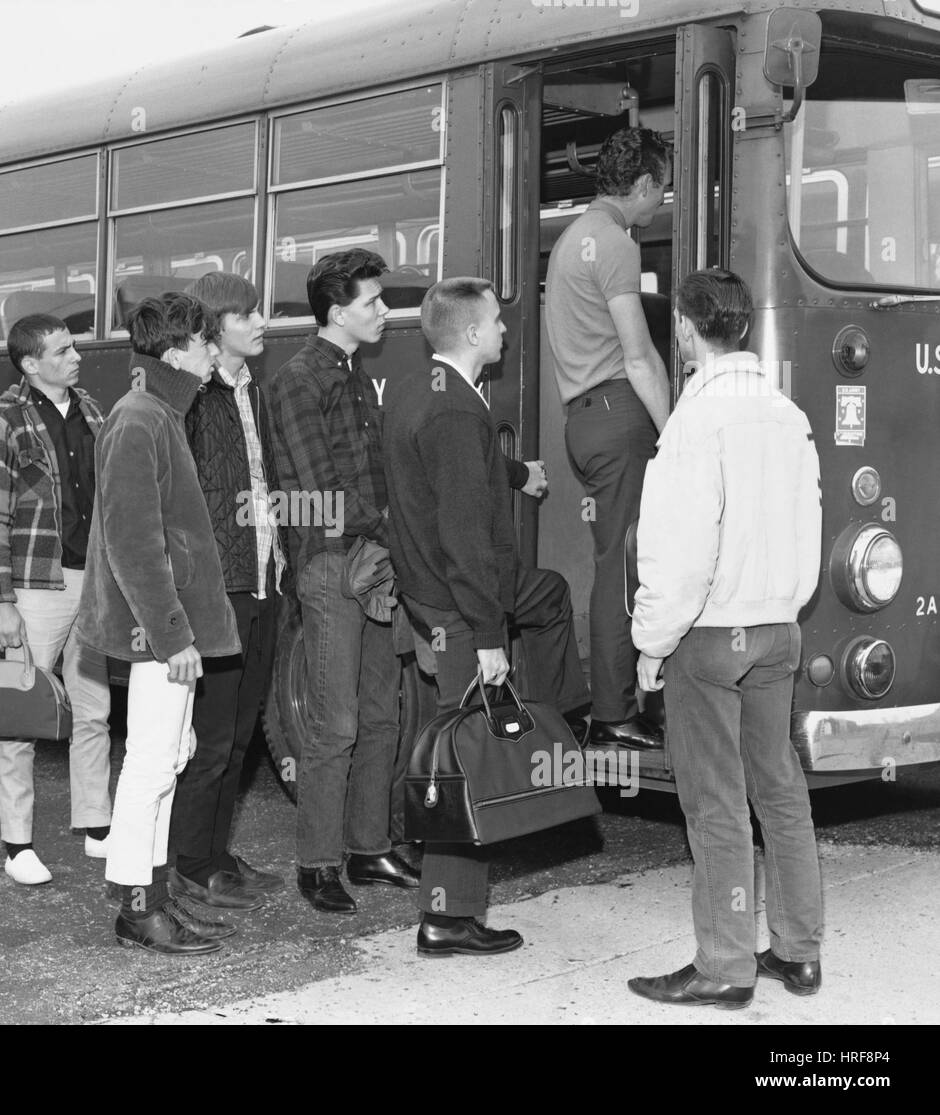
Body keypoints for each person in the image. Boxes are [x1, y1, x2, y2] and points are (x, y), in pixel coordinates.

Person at [628, 269, 823, 1008]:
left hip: (711, 635)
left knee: (715, 804)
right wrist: (784, 604)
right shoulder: (786, 412)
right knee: (780, 789)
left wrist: (652, 641)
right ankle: (798, 951)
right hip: (779, 628)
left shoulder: (694, 420)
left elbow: (679, 551)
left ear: (684, 329)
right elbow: (809, 521)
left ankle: (724, 964)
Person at [385, 277, 590, 955]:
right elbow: (466, 534)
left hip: (433, 597)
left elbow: (455, 487)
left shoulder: (423, 392)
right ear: (471, 333)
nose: (505, 331)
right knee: (461, 755)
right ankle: (446, 916)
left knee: (457, 745)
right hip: (456, 605)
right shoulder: (455, 411)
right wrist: (487, 634)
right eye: (497, 322)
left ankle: (453, 910)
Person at [73, 293, 241, 955]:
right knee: (150, 765)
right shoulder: (141, 418)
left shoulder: (156, 413)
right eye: (204, 341)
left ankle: (154, 898)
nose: (212, 352)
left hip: (165, 630)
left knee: (168, 758)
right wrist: (173, 636)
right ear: (177, 351)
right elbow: (133, 543)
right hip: (156, 632)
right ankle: (139, 910)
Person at [266, 248, 418, 914]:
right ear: (336, 311)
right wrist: (390, 521)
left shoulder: (353, 374)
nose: (384, 310)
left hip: (373, 561)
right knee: (337, 722)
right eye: (372, 302)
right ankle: (318, 863)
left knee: (382, 715)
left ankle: (369, 846)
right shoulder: (300, 380)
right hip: (332, 566)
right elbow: (318, 493)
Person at [544, 127, 673, 750]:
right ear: (643, 183)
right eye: (662, 190)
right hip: (621, 414)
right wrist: (675, 433)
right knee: (626, 568)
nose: (661, 203)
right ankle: (615, 713)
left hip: (584, 417)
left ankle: (617, 703)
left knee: (614, 561)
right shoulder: (616, 245)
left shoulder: (571, 239)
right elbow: (639, 355)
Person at [0, 314, 113, 886]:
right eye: (61, 351)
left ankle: (97, 828)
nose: (75, 356)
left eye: (73, 346)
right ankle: (17, 845)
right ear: (31, 364)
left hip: (95, 580)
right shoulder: (0, 421)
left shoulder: (95, 412)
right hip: (34, 586)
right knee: (20, 714)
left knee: (95, 711)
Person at [166, 273, 287, 911]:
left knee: (240, 736)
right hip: (218, 590)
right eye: (249, 313)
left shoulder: (252, 393)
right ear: (215, 328)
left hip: (263, 579)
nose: (262, 321)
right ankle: (191, 862)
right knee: (211, 738)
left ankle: (214, 854)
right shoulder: (190, 398)